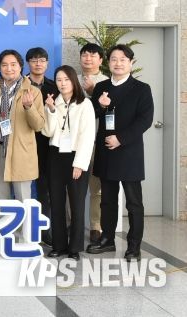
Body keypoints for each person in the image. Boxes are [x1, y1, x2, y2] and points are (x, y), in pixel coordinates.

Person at [87, 45, 153, 262]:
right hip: (106, 151)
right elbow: (92, 114)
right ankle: (107, 239)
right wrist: (100, 105)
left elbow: (145, 120)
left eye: (123, 59)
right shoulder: (101, 87)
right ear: (108, 63)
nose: (118, 63)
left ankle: (134, 246)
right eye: (114, 59)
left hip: (129, 152)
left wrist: (121, 139)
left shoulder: (141, 89)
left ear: (131, 63)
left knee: (133, 203)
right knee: (107, 200)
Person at [42, 65, 95, 259]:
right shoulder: (53, 102)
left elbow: (88, 137)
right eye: (59, 80)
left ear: (73, 81)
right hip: (55, 156)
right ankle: (59, 245)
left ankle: (75, 248)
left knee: (76, 204)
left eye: (66, 79)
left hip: (76, 157)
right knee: (56, 202)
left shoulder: (85, 104)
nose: (62, 83)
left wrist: (79, 164)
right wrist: (50, 110)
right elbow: (47, 132)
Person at [0, 49, 45, 201]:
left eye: (13, 64)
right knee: (2, 201)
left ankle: (24, 220)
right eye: (4, 65)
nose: (9, 68)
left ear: (20, 66)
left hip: (20, 152)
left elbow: (39, 125)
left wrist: (29, 107)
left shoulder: (33, 92)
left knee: (23, 201)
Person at [25, 47, 59, 244]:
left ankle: (45, 232)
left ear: (47, 63)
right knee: (23, 190)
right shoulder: (20, 85)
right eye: (34, 60)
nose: (38, 64)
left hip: (47, 145)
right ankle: (24, 230)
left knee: (45, 190)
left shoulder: (55, 87)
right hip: (24, 143)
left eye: (42, 60)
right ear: (28, 63)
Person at [77, 42, 109, 243]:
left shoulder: (107, 82)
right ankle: (73, 225)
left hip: (98, 142)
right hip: (76, 142)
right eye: (85, 55)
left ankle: (96, 226)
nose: (88, 59)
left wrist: (92, 91)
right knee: (73, 187)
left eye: (93, 55)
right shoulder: (72, 79)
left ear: (101, 60)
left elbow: (109, 111)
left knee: (96, 188)